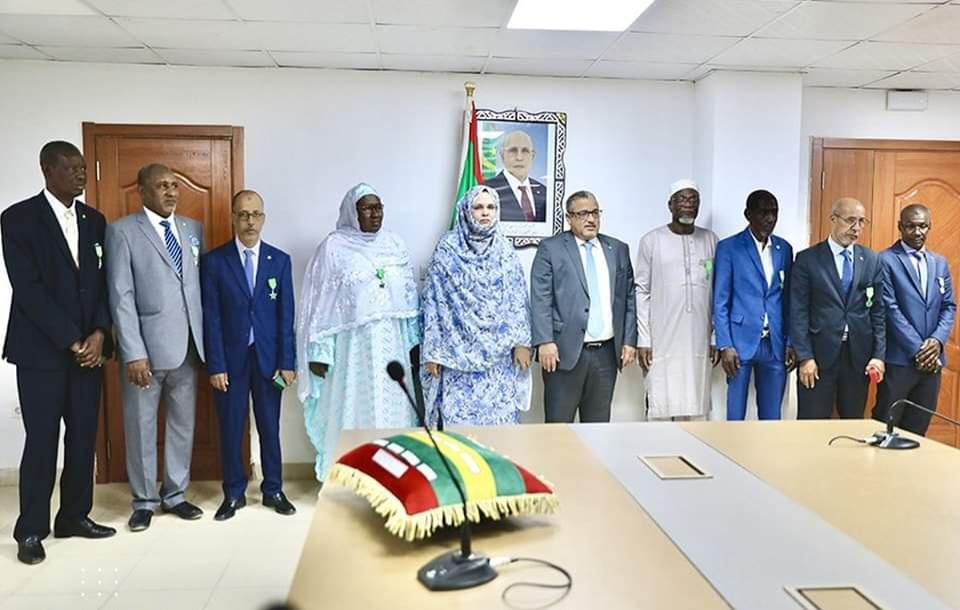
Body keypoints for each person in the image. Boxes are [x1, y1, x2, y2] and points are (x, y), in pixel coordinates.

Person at [2, 141, 116, 565]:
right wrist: (72, 340)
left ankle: (74, 516)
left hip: (90, 352)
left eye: (83, 168)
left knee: (83, 437)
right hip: (41, 354)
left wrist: (100, 334)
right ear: (46, 170)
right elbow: (28, 289)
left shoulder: (95, 220)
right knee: (42, 440)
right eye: (71, 168)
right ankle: (31, 530)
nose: (81, 174)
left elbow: (103, 285)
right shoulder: (18, 219)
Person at [106, 163, 205, 531]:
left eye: (174, 185)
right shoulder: (122, 232)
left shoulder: (192, 229)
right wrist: (133, 352)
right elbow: (121, 296)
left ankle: (175, 494)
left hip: (189, 346)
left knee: (183, 425)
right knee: (141, 425)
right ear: (143, 191)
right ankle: (144, 500)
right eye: (162, 186)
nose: (171, 192)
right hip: (145, 352)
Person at [296, 183, 420, 480]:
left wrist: (414, 343)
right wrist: (319, 352)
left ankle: (392, 477)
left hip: (393, 348)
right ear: (353, 212)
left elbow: (409, 301)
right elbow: (320, 306)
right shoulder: (333, 248)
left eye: (378, 208)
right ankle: (352, 476)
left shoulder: (395, 244)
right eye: (367, 208)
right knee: (355, 410)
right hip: (353, 353)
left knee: (394, 409)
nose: (375, 214)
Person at [202, 190, 297, 520]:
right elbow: (211, 318)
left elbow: (286, 317)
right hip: (230, 361)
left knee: (269, 426)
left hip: (269, 361)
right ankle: (233, 493)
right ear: (233, 218)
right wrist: (215, 365)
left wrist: (287, 362)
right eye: (243, 214)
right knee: (231, 427)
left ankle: (273, 489)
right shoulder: (215, 262)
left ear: (264, 218)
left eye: (255, 214)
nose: (250, 221)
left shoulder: (279, 261)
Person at [420, 185, 532, 425]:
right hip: (456, 356)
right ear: (465, 211)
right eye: (478, 207)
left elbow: (518, 300)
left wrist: (522, 343)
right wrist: (432, 352)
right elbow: (433, 304)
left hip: (500, 358)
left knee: (499, 426)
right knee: (460, 428)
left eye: (491, 207)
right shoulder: (447, 249)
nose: (485, 213)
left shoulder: (505, 250)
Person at [531, 190, 637, 423]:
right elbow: (541, 298)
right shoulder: (551, 248)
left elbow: (629, 297)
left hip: (606, 355)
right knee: (558, 428)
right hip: (563, 353)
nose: (591, 219)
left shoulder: (618, 249)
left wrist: (629, 341)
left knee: (597, 428)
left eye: (595, 213)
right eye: (582, 214)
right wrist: (544, 341)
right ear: (569, 218)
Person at [790, 197, 885, 419]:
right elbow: (798, 312)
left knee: (852, 424)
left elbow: (878, 312)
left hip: (857, 357)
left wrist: (878, 355)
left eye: (862, 221)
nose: (857, 228)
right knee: (812, 423)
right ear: (833, 219)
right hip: (818, 357)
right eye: (851, 220)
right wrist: (805, 357)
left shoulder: (871, 259)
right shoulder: (807, 259)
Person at [636, 180, 719, 421]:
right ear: (670, 204)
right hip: (661, 337)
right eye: (682, 199)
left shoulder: (711, 240)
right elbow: (641, 291)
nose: (688, 204)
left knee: (696, 404)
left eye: (694, 200)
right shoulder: (652, 240)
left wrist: (716, 337)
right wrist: (644, 338)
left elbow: (718, 292)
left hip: (699, 338)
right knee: (661, 402)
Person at [872, 204, 955, 435]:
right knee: (885, 428)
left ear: (930, 226)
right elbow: (890, 308)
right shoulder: (885, 260)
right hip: (899, 361)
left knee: (919, 430)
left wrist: (936, 342)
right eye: (911, 226)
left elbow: (948, 306)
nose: (917, 232)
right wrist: (919, 350)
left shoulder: (940, 262)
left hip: (932, 363)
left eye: (923, 226)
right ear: (900, 227)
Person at [713, 190, 795, 420]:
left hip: (774, 343)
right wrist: (725, 344)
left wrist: (790, 341)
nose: (770, 218)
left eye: (774, 213)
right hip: (739, 342)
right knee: (735, 416)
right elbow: (720, 300)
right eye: (764, 213)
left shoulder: (784, 249)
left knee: (772, 416)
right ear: (748, 214)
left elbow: (789, 298)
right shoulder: (729, 248)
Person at [485, 130, 548, 222]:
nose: (519, 157)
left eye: (525, 151)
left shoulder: (544, 192)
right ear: (502, 155)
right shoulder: (487, 190)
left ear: (533, 156)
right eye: (513, 150)